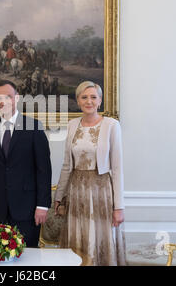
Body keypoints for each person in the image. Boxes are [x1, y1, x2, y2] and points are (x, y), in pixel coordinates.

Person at [0, 80, 52, 248]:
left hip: (27, 209)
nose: (3, 101)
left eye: (8, 96)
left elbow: (44, 170)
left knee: (28, 258)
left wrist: (42, 205)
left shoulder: (34, 127)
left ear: (17, 98)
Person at [54, 81, 126, 266]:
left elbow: (117, 169)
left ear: (100, 101)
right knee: (78, 238)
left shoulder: (111, 125)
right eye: (84, 97)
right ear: (78, 101)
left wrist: (119, 207)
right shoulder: (71, 125)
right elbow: (66, 164)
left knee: (99, 239)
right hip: (76, 192)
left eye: (93, 97)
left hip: (101, 191)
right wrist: (59, 196)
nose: (89, 101)